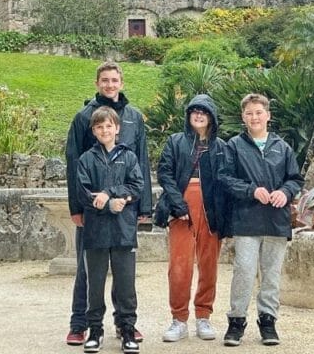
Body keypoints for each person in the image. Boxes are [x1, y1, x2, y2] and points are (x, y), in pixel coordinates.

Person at [65, 61, 152, 346]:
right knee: (88, 268)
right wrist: (76, 207)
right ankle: (81, 324)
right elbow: (74, 164)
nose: (110, 85)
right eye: (104, 80)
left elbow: (141, 161)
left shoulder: (134, 117)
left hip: (125, 209)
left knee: (124, 271)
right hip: (92, 209)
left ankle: (124, 325)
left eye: (114, 80)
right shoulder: (83, 117)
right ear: (97, 83)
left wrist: (144, 207)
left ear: (121, 83)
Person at [217, 94, 302, 347]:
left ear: (268, 115)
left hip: (276, 220)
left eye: (258, 112)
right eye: (249, 113)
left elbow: (295, 179)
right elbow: (225, 178)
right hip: (247, 219)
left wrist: (284, 192)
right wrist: (251, 190)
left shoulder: (282, 147)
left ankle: (268, 321)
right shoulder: (234, 145)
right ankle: (236, 321)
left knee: (271, 274)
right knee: (243, 270)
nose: (254, 117)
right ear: (243, 117)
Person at [156, 94, 226, 342]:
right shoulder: (175, 142)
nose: (198, 114)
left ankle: (204, 316)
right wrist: (177, 204)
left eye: (204, 111)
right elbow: (164, 173)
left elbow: (225, 181)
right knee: (179, 265)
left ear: (211, 117)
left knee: (209, 265)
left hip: (211, 209)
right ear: (188, 115)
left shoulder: (221, 147)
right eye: (194, 110)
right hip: (181, 207)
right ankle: (178, 318)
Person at [76, 106, 144, 353]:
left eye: (109, 126)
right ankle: (95, 329)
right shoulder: (86, 159)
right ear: (93, 131)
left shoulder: (129, 157)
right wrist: (108, 206)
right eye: (99, 127)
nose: (105, 130)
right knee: (95, 283)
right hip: (95, 230)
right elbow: (83, 194)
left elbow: (136, 186)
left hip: (123, 230)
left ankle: (127, 329)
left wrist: (111, 194)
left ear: (117, 128)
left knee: (125, 283)